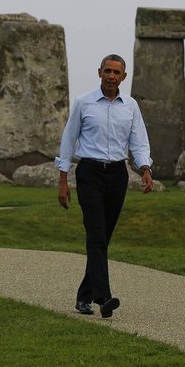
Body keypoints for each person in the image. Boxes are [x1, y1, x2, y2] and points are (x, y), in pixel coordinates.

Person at [56, 54, 154, 318]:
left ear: (124, 76)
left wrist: (145, 169)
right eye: (107, 71)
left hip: (117, 176)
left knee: (102, 239)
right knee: (96, 235)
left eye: (116, 72)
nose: (111, 76)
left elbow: (139, 142)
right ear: (99, 72)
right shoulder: (83, 102)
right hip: (90, 173)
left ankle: (83, 296)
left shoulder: (131, 106)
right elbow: (68, 140)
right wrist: (63, 179)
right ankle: (104, 299)